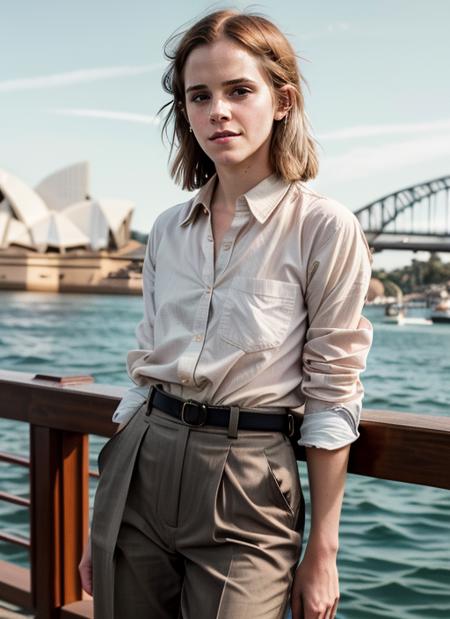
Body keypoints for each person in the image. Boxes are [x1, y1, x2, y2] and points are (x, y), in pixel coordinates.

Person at [79, 8, 373, 619]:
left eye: (240, 90)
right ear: (184, 110)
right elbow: (145, 371)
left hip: (249, 479)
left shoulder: (324, 228)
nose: (219, 111)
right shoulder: (167, 229)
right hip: (139, 463)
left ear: (282, 99)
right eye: (199, 95)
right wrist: (101, 511)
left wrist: (323, 548)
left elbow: (334, 392)